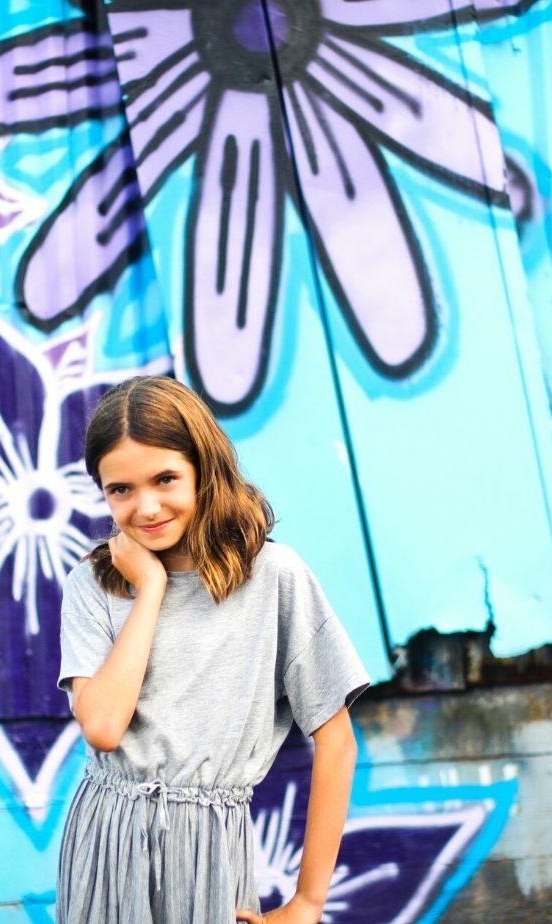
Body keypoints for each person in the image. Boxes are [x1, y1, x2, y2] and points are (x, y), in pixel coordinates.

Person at [56, 375, 371, 924]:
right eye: (120, 489)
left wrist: (308, 901)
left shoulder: (274, 577)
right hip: (105, 836)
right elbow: (103, 728)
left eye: (166, 479)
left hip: (210, 849)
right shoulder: (92, 586)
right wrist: (150, 589)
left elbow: (337, 741)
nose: (146, 507)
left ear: (205, 470)